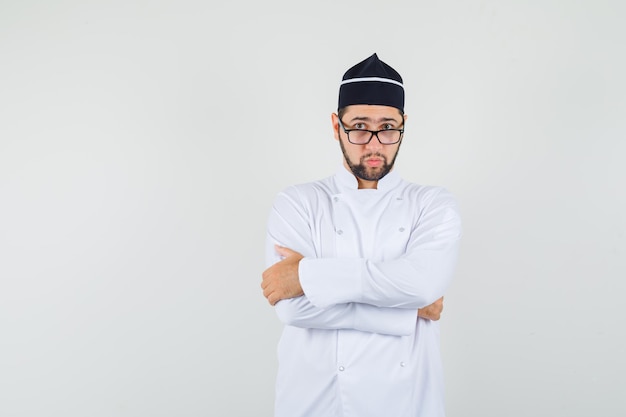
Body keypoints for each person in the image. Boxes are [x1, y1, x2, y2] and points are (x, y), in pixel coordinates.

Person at [261, 53, 462, 417]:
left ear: (404, 126)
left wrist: (306, 275)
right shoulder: (298, 202)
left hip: (407, 403)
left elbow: (420, 286)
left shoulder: (433, 204)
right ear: (336, 126)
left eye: (388, 127)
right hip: (315, 402)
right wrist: (408, 312)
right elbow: (292, 309)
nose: (373, 144)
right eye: (359, 127)